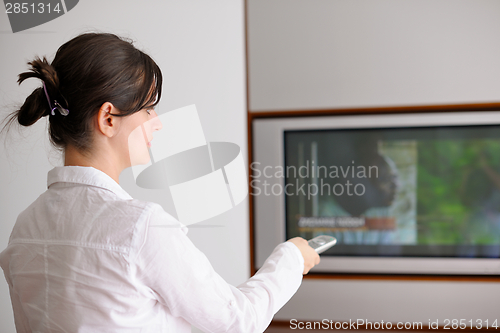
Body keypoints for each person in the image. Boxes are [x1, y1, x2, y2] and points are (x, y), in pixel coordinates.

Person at [0, 33, 320, 333]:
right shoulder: (140, 227)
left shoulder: (23, 229)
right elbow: (237, 320)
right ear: (108, 118)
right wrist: (291, 257)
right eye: (148, 108)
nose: (158, 123)